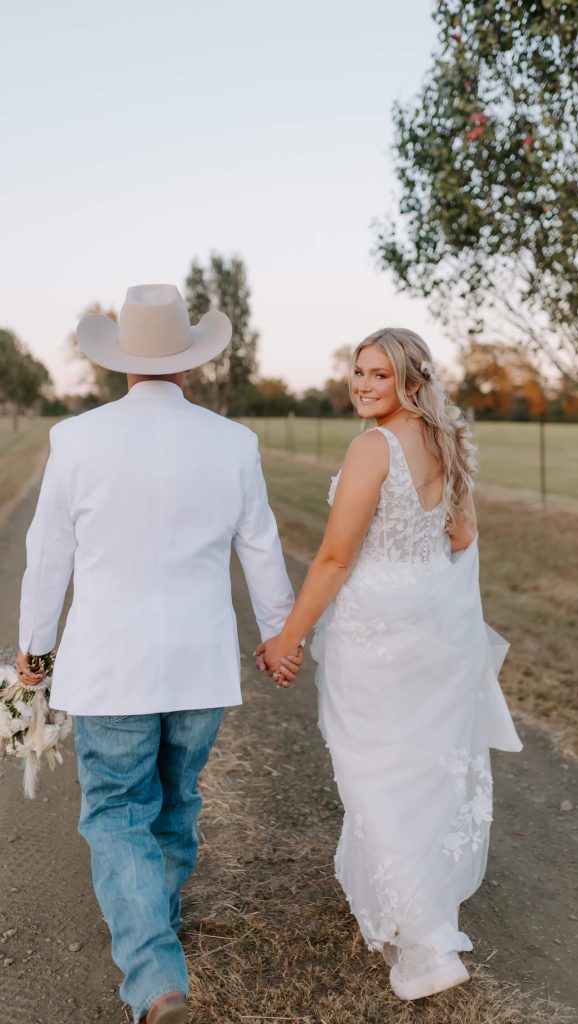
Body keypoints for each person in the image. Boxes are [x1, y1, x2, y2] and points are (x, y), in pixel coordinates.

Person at [16, 283, 303, 1024]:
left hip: (111, 667)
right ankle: (155, 928)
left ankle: (154, 981)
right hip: (199, 667)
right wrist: (279, 638)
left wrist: (34, 653)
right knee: (176, 802)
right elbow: (262, 549)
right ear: (191, 365)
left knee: (116, 810)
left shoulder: (77, 440)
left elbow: (48, 555)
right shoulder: (233, 442)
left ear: (120, 366)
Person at [258, 327, 522, 1001]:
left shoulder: (372, 447)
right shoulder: (444, 443)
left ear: (410, 380)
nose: (362, 385)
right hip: (432, 630)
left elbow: (336, 559)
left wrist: (288, 637)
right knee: (418, 769)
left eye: (379, 374)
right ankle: (422, 914)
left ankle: (427, 943)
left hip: (375, 633)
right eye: (358, 372)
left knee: (374, 770)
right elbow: (461, 537)